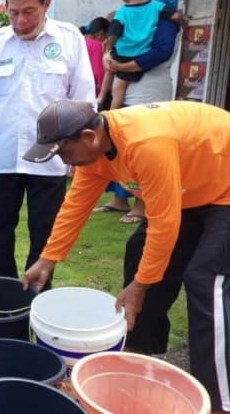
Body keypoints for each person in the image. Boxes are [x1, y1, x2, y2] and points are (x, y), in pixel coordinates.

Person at [22, 99, 230, 414]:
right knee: (139, 252)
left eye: (63, 152)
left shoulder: (147, 143)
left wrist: (140, 285)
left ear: (88, 138)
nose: (65, 162)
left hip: (225, 186)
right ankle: (142, 350)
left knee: (205, 277)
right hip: (192, 187)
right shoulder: (94, 153)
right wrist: (49, 257)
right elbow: (76, 205)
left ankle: (221, 399)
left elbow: (164, 223)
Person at [0, 0, 95, 286]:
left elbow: (83, 99)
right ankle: (4, 287)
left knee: (46, 231)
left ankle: (38, 290)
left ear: (46, 4)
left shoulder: (69, 39)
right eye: (13, 12)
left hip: (53, 157)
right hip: (2, 154)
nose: (20, 21)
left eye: (29, 12)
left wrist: (81, 154)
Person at [96, 0, 182, 224]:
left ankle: (142, 203)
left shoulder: (165, 20)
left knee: (144, 145)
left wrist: (121, 66)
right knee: (120, 141)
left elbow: (161, 52)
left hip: (150, 87)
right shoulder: (146, 13)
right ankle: (119, 198)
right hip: (128, 81)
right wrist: (112, 58)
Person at [96, 0, 178, 110]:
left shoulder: (166, 22)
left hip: (146, 97)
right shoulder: (157, 11)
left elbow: (161, 53)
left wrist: (120, 66)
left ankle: (109, 115)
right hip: (140, 96)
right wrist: (108, 55)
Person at [84, 16, 109, 97]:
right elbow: (99, 72)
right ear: (101, 33)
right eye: (107, 36)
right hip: (90, 93)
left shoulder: (81, 41)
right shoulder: (97, 45)